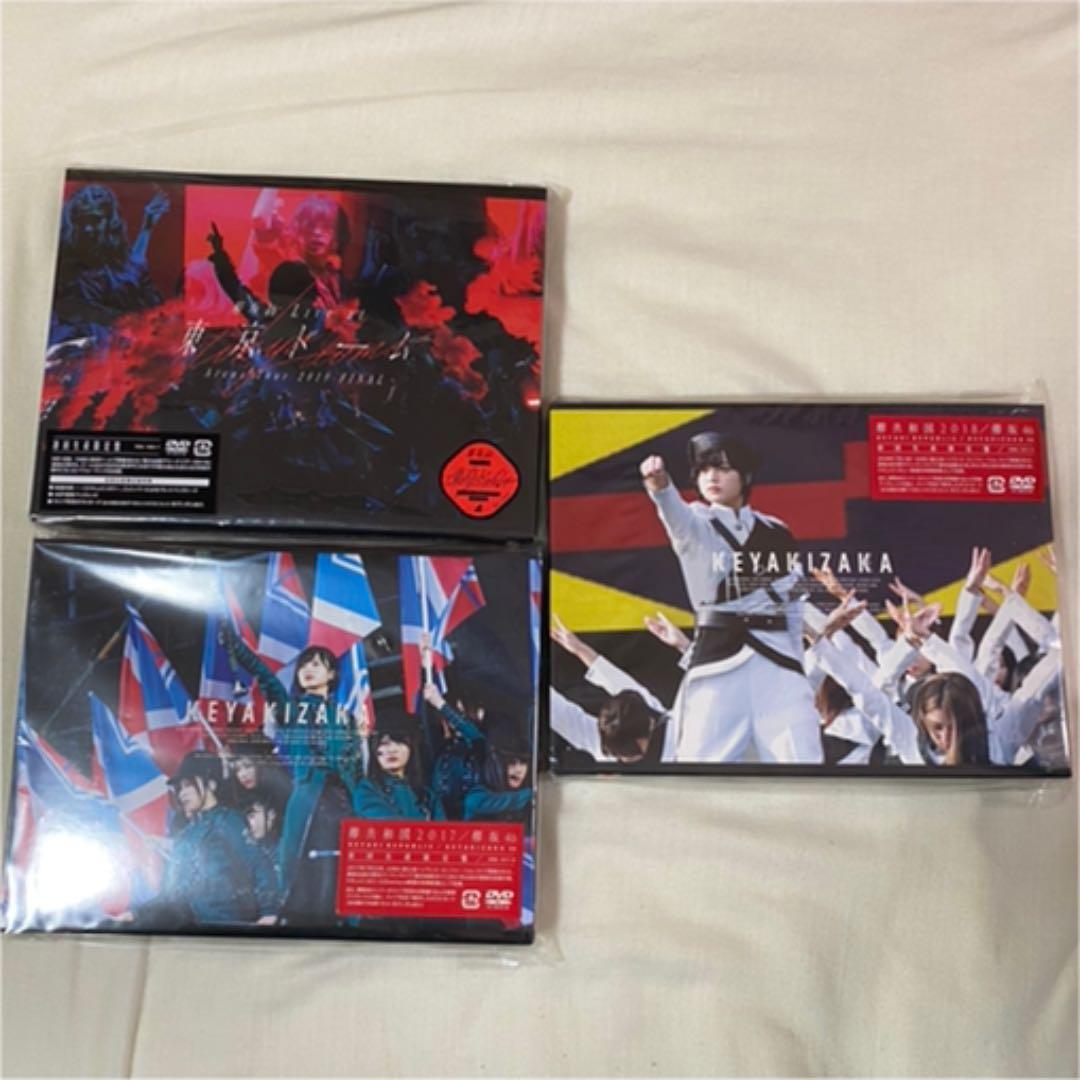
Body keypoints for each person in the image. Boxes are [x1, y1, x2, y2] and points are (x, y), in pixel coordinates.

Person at [640, 432, 822, 763]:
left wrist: (798, 667)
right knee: (701, 766)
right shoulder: (694, 523)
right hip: (718, 666)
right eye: (704, 470)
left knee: (802, 761)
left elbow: (793, 608)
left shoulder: (776, 530)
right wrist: (659, 484)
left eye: (723, 469)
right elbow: (669, 507)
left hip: (779, 664)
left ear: (745, 476)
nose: (712, 477)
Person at [221, 631, 358, 924]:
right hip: (307, 799)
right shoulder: (291, 710)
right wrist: (237, 647)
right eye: (304, 665)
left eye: (316, 664)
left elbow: (354, 768)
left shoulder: (346, 719)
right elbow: (266, 678)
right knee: (301, 872)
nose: (307, 670)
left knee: (338, 874)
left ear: (332, 674)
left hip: (341, 804)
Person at [160, 751, 279, 926]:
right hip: (194, 928)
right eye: (180, 788)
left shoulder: (229, 821)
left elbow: (258, 864)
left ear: (211, 784)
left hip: (232, 926)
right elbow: (171, 893)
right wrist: (139, 914)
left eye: (188, 784)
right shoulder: (185, 836)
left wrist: (270, 911)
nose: (182, 793)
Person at [549, 613, 676, 766]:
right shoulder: (608, 742)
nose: (624, 758)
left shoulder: (678, 736)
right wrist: (579, 649)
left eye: (628, 751)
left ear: (650, 725)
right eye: (615, 752)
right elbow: (617, 682)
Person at [352, 711, 446, 821]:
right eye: (383, 744)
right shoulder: (367, 791)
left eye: (399, 742)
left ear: (411, 748)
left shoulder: (427, 795)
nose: (391, 750)